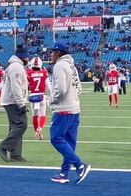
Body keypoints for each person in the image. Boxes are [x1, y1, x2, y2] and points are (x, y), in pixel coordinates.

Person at [49, 41, 91, 184]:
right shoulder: (71, 65)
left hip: (63, 109)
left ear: (58, 53)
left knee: (56, 138)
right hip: (74, 108)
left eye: (53, 52)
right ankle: (64, 173)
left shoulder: (60, 66)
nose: (51, 54)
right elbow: (78, 87)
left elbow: (60, 89)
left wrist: (52, 100)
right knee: (69, 143)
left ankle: (80, 165)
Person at [0, 45, 29, 163]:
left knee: (16, 127)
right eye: (27, 57)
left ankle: (15, 154)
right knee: (21, 125)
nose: (28, 59)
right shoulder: (16, 67)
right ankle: (3, 147)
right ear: (22, 57)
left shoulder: (15, 66)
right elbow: (16, 87)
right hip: (13, 101)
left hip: (11, 100)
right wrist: (21, 103)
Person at [26, 57, 51, 140]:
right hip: (42, 96)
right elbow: (49, 87)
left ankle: (37, 132)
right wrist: (50, 95)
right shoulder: (44, 72)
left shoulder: (29, 72)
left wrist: (25, 96)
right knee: (43, 114)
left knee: (35, 115)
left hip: (33, 96)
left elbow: (25, 86)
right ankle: (39, 128)